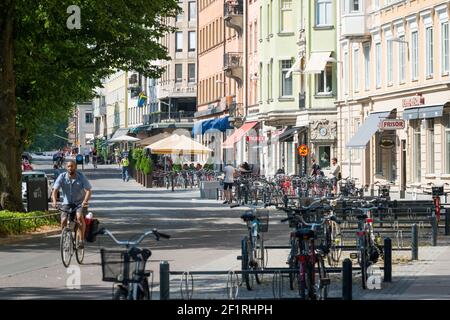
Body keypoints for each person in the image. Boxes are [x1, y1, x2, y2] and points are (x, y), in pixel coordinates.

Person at [51, 159, 92, 249]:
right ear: (66, 167)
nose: (70, 168)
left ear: (75, 167)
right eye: (68, 166)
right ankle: (65, 238)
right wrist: (54, 202)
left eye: (72, 166)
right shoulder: (62, 176)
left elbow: (88, 191)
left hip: (79, 203)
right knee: (63, 220)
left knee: (79, 217)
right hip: (67, 203)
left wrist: (85, 201)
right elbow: (55, 191)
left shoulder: (81, 176)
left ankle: (81, 240)